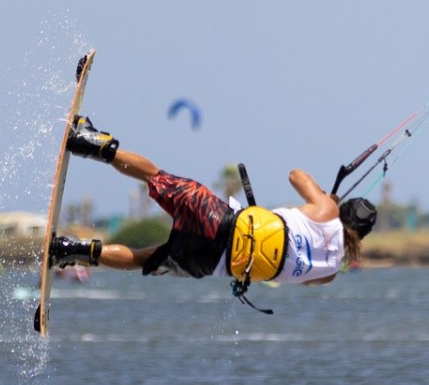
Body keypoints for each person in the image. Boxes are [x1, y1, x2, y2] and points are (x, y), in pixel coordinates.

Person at [47, 116, 376, 287]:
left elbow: (296, 175)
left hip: (221, 222)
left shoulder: (329, 210)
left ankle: (89, 143)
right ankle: (70, 252)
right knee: (147, 259)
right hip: (214, 264)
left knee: (157, 178)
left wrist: (325, 196)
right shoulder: (330, 274)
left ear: (343, 211)